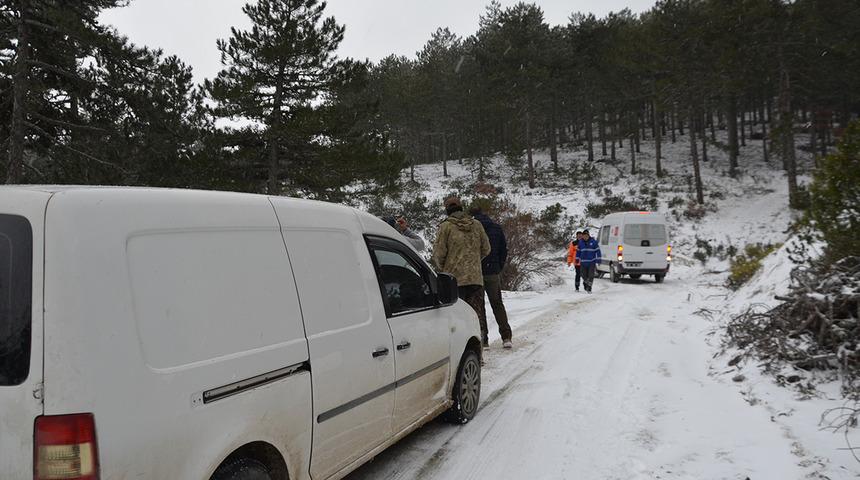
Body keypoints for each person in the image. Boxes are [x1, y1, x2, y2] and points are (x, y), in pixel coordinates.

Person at [432, 197, 491, 347]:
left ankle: (461, 347)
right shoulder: (477, 225)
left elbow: (439, 254)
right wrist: (474, 261)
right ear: (461, 207)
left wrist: (443, 269)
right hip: (475, 277)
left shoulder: (445, 227)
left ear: (447, 209)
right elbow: (486, 249)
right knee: (477, 313)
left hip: (454, 280)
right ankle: (482, 341)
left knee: (457, 316)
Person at [469, 205, 513, 349]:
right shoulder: (496, 227)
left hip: (476, 271)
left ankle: (484, 339)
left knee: (479, 306)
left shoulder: (471, 228)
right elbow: (503, 250)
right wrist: (498, 266)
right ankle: (506, 336)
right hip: (493, 270)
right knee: (497, 303)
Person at [576, 229, 602, 294]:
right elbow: (578, 251)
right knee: (583, 275)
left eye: (586, 235)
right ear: (582, 236)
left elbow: (598, 251)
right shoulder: (580, 242)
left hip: (591, 262)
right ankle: (586, 282)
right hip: (583, 262)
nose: (585, 237)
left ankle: (589, 287)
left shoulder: (594, 242)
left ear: (588, 235)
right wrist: (577, 258)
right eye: (584, 235)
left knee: (591, 275)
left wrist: (599, 259)